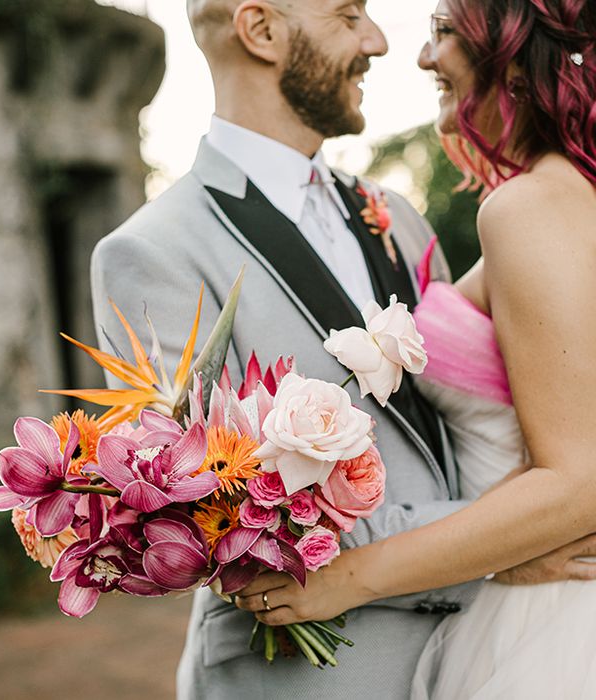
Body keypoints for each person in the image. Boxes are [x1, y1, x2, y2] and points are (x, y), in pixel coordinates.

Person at [90, 1, 593, 698]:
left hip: (483, 651)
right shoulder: (154, 253)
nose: (380, 42)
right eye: (350, 14)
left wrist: (523, 532)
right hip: (312, 674)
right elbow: (208, 516)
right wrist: (507, 544)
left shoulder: (398, 218)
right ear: (261, 31)